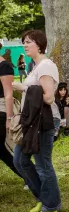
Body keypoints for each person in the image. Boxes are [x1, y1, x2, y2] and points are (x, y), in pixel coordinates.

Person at [12, 29, 61, 212]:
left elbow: (48, 97)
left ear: (39, 44)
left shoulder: (46, 65)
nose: (25, 45)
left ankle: (51, 206)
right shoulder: (35, 65)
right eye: (24, 41)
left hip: (44, 121)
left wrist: (22, 87)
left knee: (43, 165)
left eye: (29, 42)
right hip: (31, 121)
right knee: (20, 161)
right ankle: (43, 197)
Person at [0, 53, 23, 181]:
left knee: (2, 149)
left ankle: (31, 176)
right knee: (2, 151)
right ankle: (30, 176)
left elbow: (8, 94)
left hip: (2, 109)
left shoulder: (4, 66)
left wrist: (9, 119)